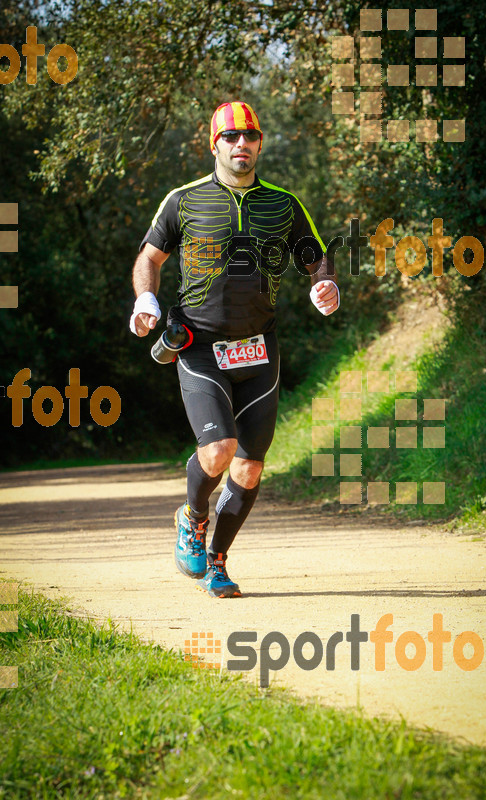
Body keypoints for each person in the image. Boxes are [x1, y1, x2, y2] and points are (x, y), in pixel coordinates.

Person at [130, 101, 339, 598]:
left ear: (260, 143)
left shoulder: (284, 205)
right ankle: (192, 516)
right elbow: (149, 257)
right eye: (231, 137)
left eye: (250, 136)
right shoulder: (183, 201)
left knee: (249, 465)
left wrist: (326, 285)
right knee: (219, 450)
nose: (241, 144)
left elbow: (316, 259)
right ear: (214, 145)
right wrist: (145, 297)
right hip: (200, 346)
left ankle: (219, 562)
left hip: (259, 349)